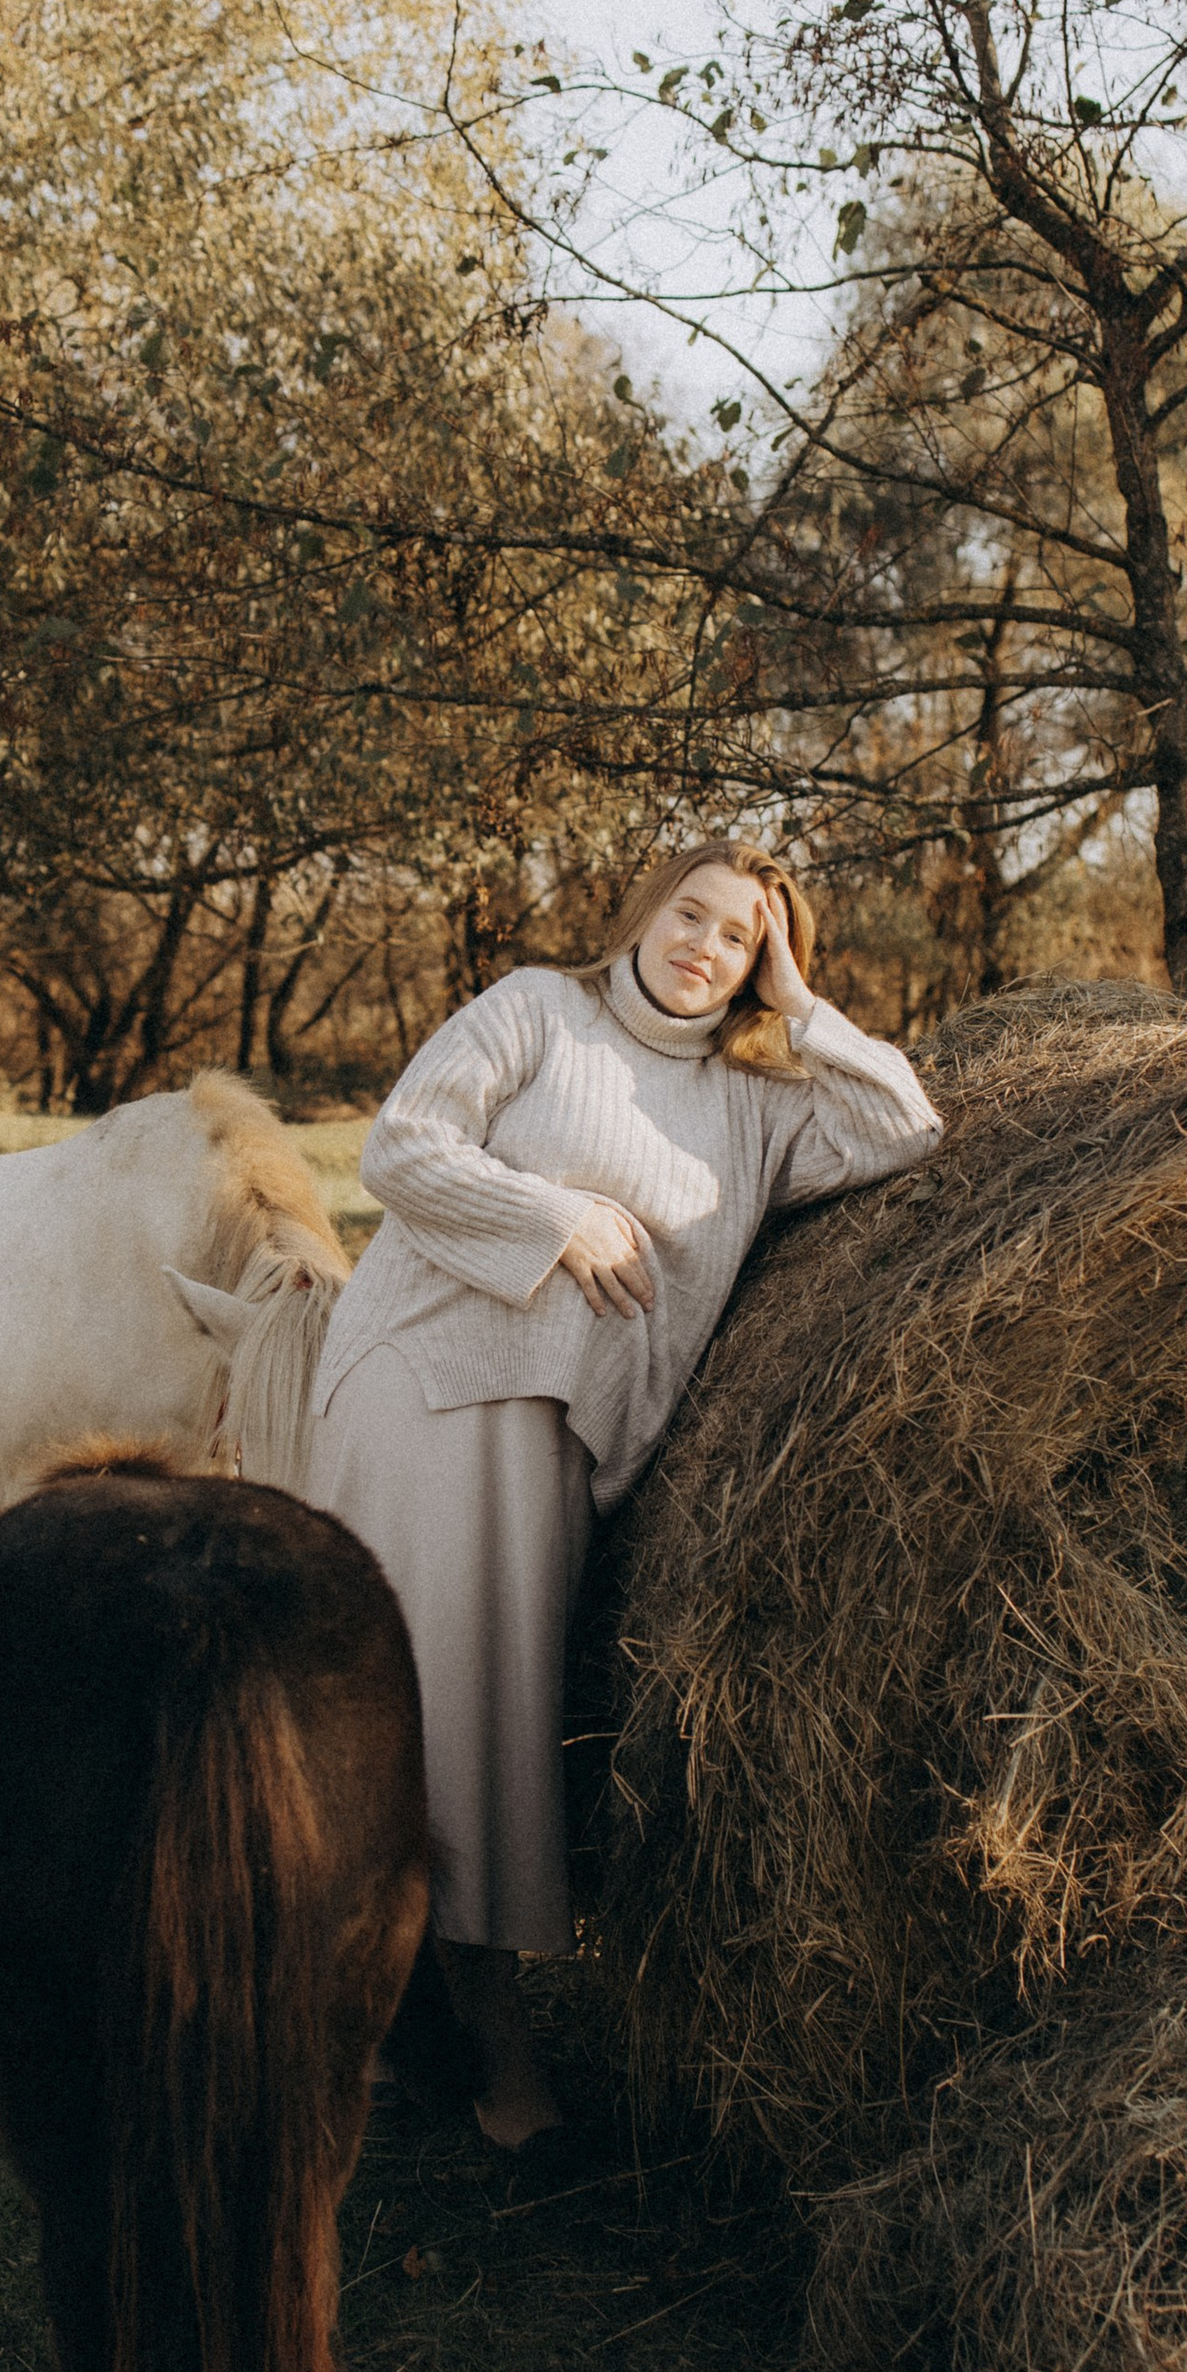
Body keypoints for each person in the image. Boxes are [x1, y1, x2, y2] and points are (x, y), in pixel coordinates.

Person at [303, 839, 943, 2151]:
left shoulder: (760, 1100)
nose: (703, 945)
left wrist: (801, 1006)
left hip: (559, 1432)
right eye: (690, 914)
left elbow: (906, 1125)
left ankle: (386, 2024)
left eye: (740, 936)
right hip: (423, 1382)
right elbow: (402, 1148)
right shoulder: (538, 1011)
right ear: (647, 909)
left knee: (486, 1718)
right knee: (438, 1714)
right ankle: (476, 2047)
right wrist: (558, 1219)